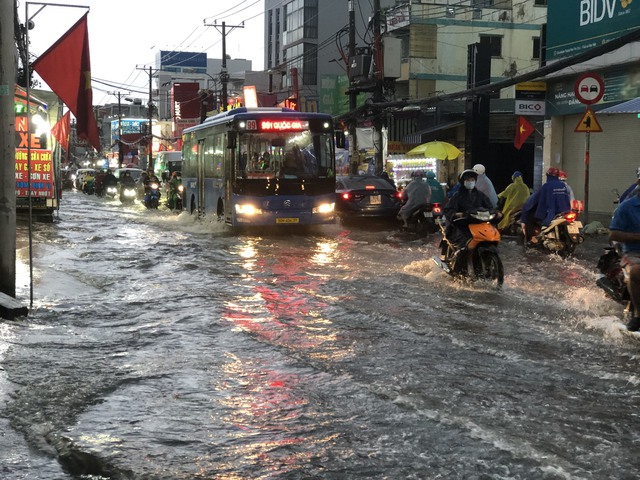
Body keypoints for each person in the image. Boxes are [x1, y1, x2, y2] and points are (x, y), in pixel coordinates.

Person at [443, 169, 497, 249]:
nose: (470, 182)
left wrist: (494, 213)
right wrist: (457, 214)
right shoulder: (457, 196)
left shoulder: (480, 195)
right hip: (463, 225)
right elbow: (448, 210)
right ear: (463, 182)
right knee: (462, 244)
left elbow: (489, 207)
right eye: (468, 180)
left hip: (480, 224)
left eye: (472, 180)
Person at [609, 192, 640, 331]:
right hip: (634, 253)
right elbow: (614, 234)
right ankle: (638, 315)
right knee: (636, 272)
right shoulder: (627, 207)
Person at [520, 167, 571, 244]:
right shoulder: (563, 186)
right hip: (564, 212)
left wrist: (527, 207)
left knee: (529, 217)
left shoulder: (546, 186)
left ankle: (532, 239)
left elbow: (537, 199)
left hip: (551, 213)